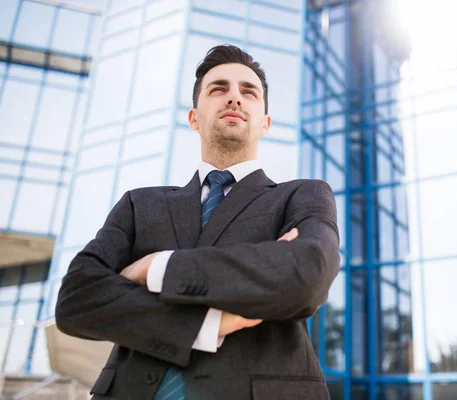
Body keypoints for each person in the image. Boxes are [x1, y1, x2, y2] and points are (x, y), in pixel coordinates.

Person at [55, 45, 340, 399]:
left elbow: (307, 276)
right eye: (218, 88)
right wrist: (207, 324)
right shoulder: (139, 204)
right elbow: (77, 299)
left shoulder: (304, 196)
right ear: (193, 117)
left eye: (248, 92)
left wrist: (158, 267)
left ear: (265, 123)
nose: (234, 98)